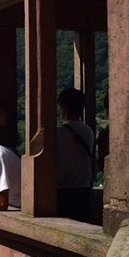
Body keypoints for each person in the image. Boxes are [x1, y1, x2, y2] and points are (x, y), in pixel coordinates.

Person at [56, 87, 94, 220]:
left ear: (64, 107)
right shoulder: (88, 131)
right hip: (84, 190)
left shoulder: (58, 133)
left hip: (63, 191)